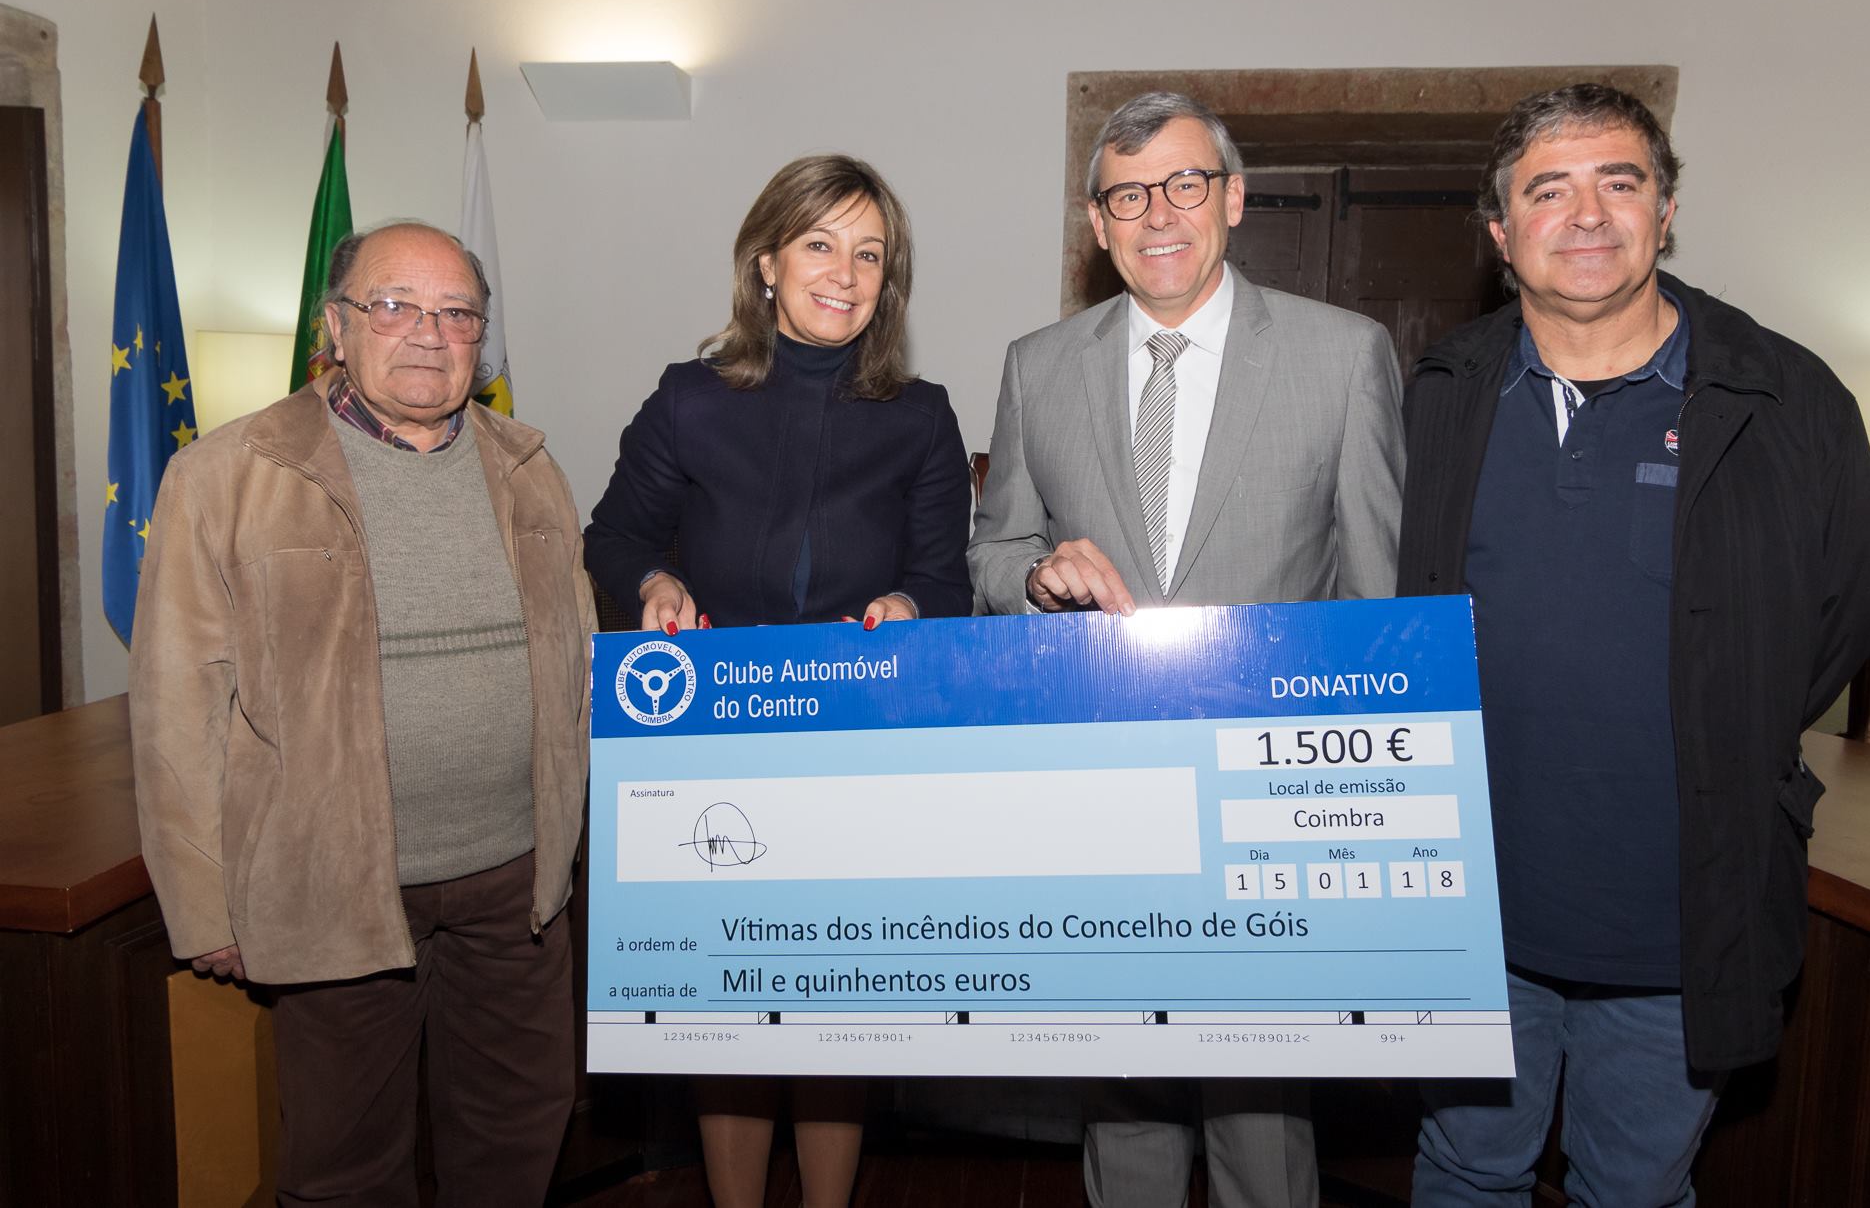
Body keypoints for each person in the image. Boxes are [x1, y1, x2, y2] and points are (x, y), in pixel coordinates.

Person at [1398, 83, 1870, 1203]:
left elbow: (1836, 619)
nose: (1586, 214)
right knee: (1466, 1170)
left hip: (1681, 919)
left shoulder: (1788, 401)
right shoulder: (1438, 393)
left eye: (1617, 183)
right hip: (1468, 907)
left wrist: (1721, 719)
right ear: (1500, 232)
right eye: (1547, 191)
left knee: (1636, 1190)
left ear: (1664, 211)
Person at [968, 91, 1405, 1208]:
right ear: (1096, 222)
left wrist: (1368, 806)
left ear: (1233, 199)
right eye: (1127, 195)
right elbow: (994, 549)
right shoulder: (1036, 365)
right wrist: (1034, 580)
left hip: (1275, 798)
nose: (1157, 213)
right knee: (1122, 1096)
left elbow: (1376, 600)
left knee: (1262, 1113)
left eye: (1183, 183)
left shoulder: (1342, 356)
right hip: (1098, 794)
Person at [130, 222, 596, 1204]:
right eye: (394, 306)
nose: (428, 332)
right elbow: (177, 703)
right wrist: (205, 903)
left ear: (480, 338)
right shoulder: (227, 475)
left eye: (457, 313)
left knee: (518, 1138)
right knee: (345, 1167)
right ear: (335, 327)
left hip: (516, 887)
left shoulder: (532, 468)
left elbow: (580, 662)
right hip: (334, 886)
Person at [584, 153, 972, 1207]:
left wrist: (911, 607)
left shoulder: (921, 415)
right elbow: (613, 536)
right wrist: (655, 578)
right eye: (818, 244)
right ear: (766, 261)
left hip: (857, 747)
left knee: (834, 1007)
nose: (844, 273)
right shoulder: (688, 399)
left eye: (869, 254)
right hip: (718, 745)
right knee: (732, 1006)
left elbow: (944, 579)